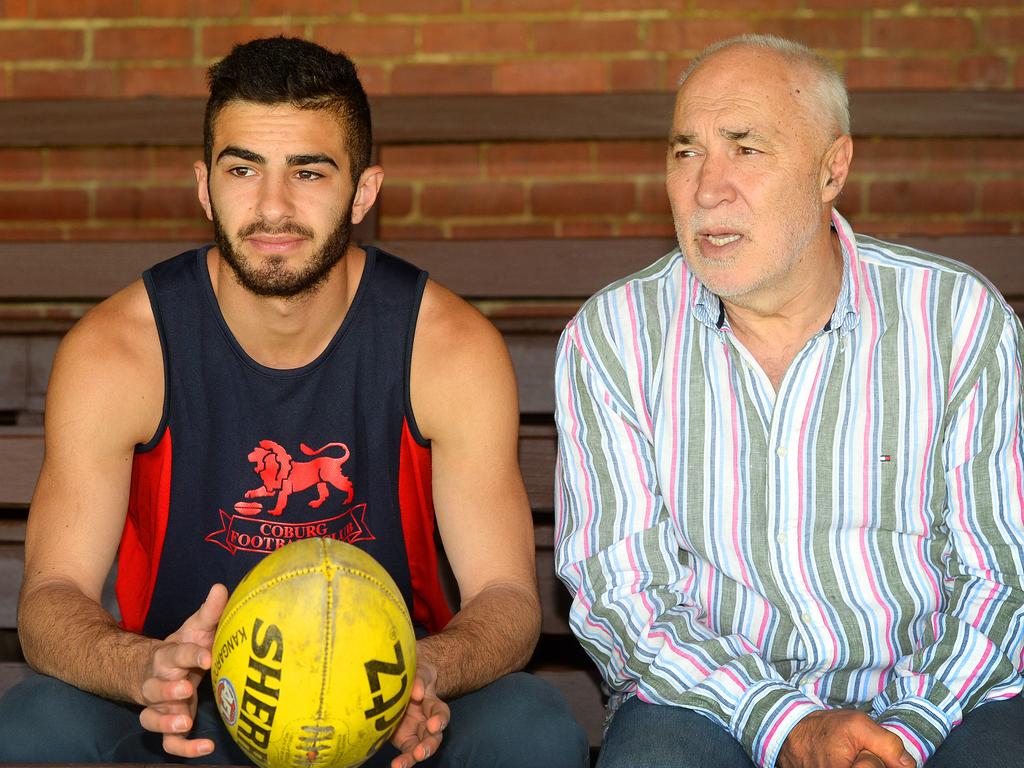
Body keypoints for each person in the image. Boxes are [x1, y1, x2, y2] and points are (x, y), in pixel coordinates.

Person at [0, 36, 589, 768]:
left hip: (388, 712)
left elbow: (505, 595)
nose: (272, 206)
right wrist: (139, 669)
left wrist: (427, 673)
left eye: (308, 172)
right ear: (204, 186)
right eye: (243, 169)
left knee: (531, 727)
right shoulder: (120, 349)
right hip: (188, 713)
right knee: (33, 727)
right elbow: (52, 594)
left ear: (364, 192)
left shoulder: (446, 347)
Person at [554, 34, 1024, 768]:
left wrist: (907, 728)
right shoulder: (614, 338)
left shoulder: (957, 320)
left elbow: (1000, 574)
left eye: (745, 149)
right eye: (686, 152)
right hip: (713, 700)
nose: (707, 187)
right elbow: (623, 596)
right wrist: (790, 724)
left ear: (832, 169)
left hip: (944, 694)